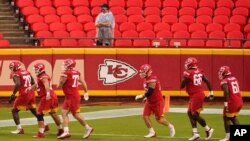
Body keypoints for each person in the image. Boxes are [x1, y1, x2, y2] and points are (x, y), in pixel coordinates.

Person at [135, 64, 175, 138]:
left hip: (157, 102)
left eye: (143, 72)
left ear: (149, 72)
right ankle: (152, 132)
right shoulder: (145, 79)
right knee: (145, 116)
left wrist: (142, 96)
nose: (142, 73)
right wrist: (146, 98)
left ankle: (170, 126)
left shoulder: (153, 79)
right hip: (150, 101)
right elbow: (149, 92)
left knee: (159, 119)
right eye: (141, 72)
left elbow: (150, 91)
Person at [8, 61, 49, 134]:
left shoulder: (16, 74)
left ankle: (19, 129)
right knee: (33, 109)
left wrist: (13, 94)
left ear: (14, 67)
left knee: (14, 111)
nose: (11, 69)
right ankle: (44, 125)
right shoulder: (26, 71)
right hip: (31, 93)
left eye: (11, 68)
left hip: (24, 94)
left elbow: (18, 84)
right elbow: (33, 82)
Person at [57, 58, 93, 139]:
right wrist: (86, 92)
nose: (63, 65)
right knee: (63, 113)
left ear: (69, 65)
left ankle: (88, 128)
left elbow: (61, 84)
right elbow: (83, 82)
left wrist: (59, 84)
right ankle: (66, 132)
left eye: (65, 64)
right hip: (70, 96)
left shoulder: (65, 73)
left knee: (75, 114)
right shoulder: (77, 72)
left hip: (72, 96)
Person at [25, 62, 63, 138]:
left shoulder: (43, 76)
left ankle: (41, 132)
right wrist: (30, 88)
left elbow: (46, 85)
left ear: (40, 69)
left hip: (47, 97)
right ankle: (60, 130)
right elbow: (37, 84)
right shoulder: (41, 76)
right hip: (52, 96)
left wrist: (48, 94)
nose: (35, 70)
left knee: (39, 114)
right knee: (53, 113)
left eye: (36, 69)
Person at [180, 57, 214, 141]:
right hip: (195, 95)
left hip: (197, 95)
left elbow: (182, 85)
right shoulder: (199, 71)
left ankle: (208, 129)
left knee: (194, 114)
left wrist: (185, 77)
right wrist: (211, 93)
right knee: (189, 113)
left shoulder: (188, 72)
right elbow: (208, 81)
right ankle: (195, 133)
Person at [218, 66, 243, 141]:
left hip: (232, 102)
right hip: (239, 100)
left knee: (226, 118)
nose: (220, 73)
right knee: (233, 117)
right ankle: (240, 135)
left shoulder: (224, 81)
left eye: (221, 71)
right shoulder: (234, 78)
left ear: (224, 73)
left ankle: (228, 137)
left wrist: (226, 104)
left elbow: (226, 92)